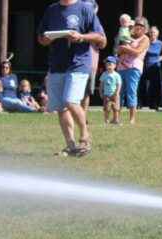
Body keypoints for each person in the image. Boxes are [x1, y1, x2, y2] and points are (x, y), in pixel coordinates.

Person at [37, 0, 106, 156]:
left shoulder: (85, 9)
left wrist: (81, 37)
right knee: (61, 107)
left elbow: (102, 39)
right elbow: (40, 38)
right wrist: (46, 39)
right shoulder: (51, 9)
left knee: (71, 100)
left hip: (78, 64)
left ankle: (85, 137)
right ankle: (71, 145)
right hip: (56, 65)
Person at [117, 17, 150, 125]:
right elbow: (117, 50)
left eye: (141, 25)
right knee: (118, 93)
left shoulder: (145, 39)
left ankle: (132, 119)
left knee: (131, 92)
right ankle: (116, 117)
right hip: (121, 67)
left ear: (145, 28)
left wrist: (125, 48)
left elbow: (137, 52)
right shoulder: (127, 36)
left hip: (134, 67)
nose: (138, 27)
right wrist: (122, 48)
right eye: (137, 25)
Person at [80, 0, 102, 120]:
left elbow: (102, 42)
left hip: (90, 63)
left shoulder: (97, 25)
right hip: (75, 62)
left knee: (86, 92)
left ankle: (83, 116)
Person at [139, 26, 162, 110]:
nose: (152, 34)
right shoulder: (146, 42)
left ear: (157, 34)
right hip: (145, 65)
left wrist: (160, 59)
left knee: (155, 86)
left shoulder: (160, 43)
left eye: (154, 32)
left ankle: (154, 104)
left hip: (155, 67)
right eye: (151, 32)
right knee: (142, 85)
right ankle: (140, 103)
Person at [99, 56, 122, 124]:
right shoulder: (104, 74)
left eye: (110, 64)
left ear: (114, 66)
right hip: (107, 95)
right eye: (107, 64)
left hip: (115, 95)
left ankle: (116, 119)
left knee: (116, 108)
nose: (108, 66)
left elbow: (119, 84)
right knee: (107, 108)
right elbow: (101, 84)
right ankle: (106, 120)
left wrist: (117, 93)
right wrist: (101, 92)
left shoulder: (116, 75)